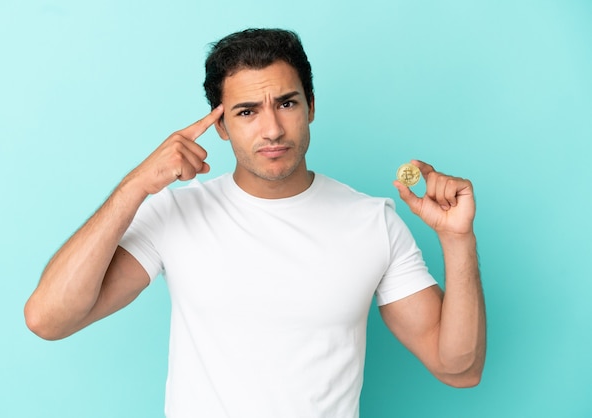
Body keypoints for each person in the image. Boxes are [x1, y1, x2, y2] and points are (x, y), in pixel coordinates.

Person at [25, 28, 486, 417]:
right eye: (247, 112)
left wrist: (457, 239)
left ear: (310, 106)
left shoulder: (372, 222)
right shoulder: (178, 212)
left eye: (286, 104)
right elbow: (49, 319)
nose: (272, 130)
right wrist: (134, 187)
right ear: (221, 126)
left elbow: (460, 369)